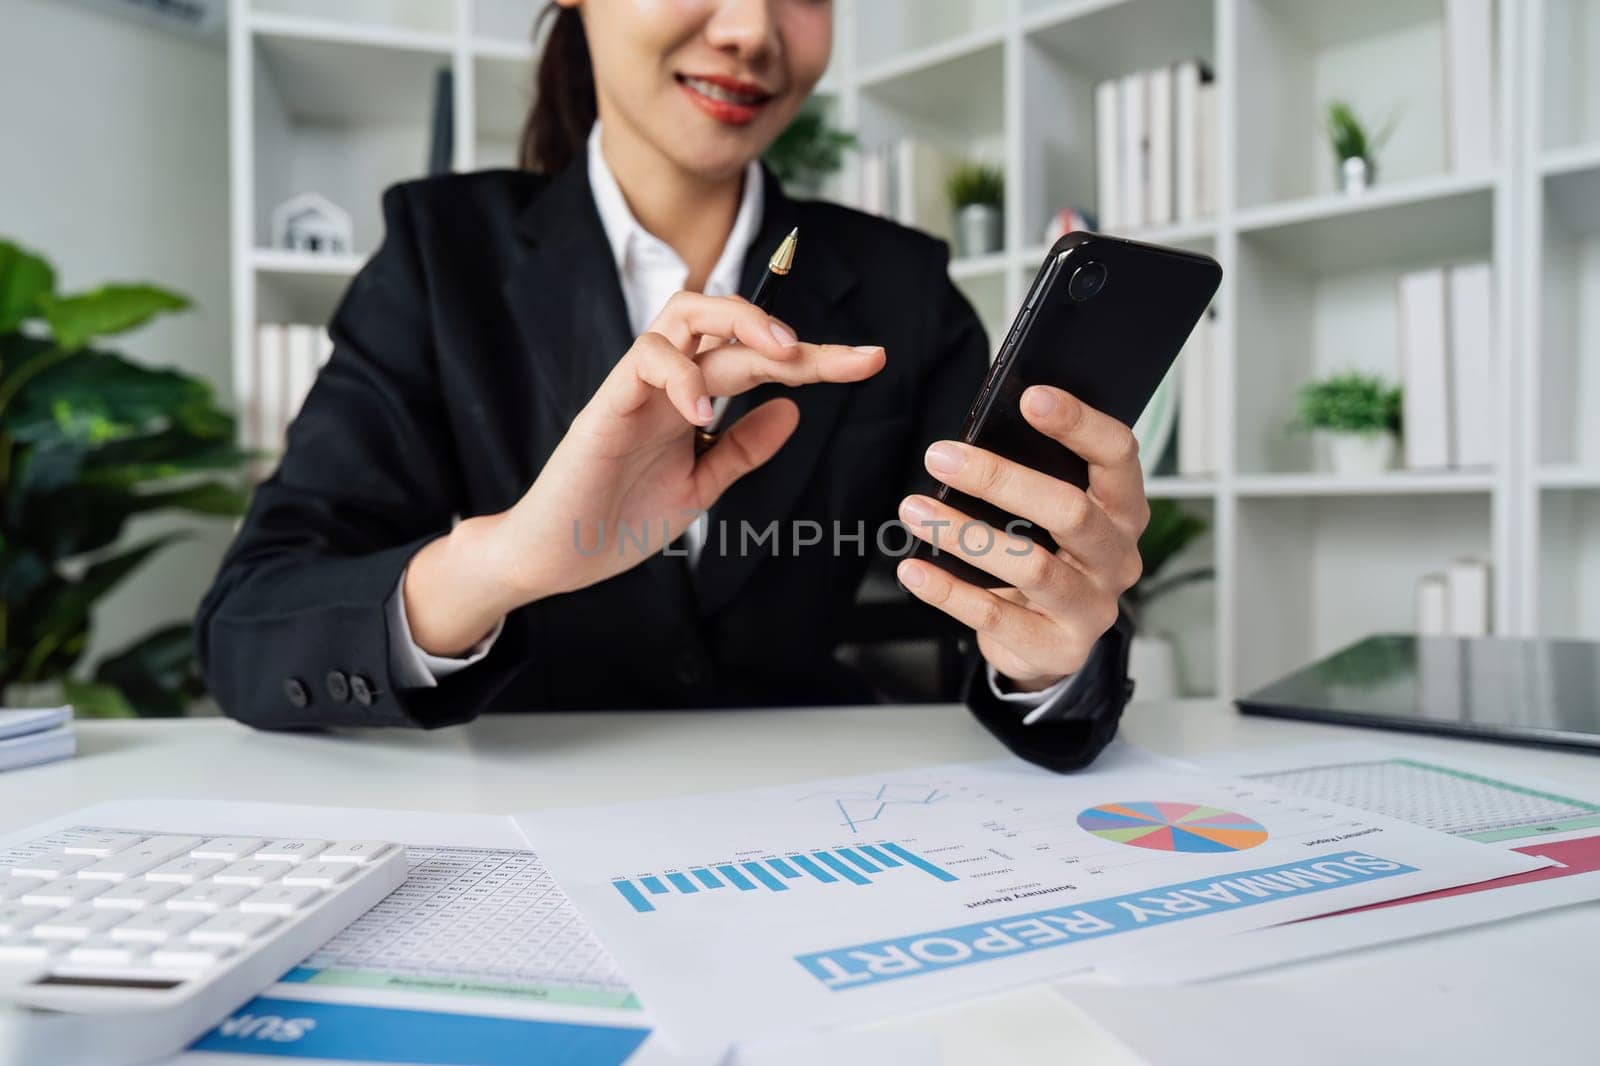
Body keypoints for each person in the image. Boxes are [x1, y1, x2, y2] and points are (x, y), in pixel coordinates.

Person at [197, 0, 1148, 772]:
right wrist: (506, 562)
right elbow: (249, 628)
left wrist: (1051, 646)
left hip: (807, 825)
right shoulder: (438, 258)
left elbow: (1009, 597)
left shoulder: (900, 286)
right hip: (513, 824)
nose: (751, 30)